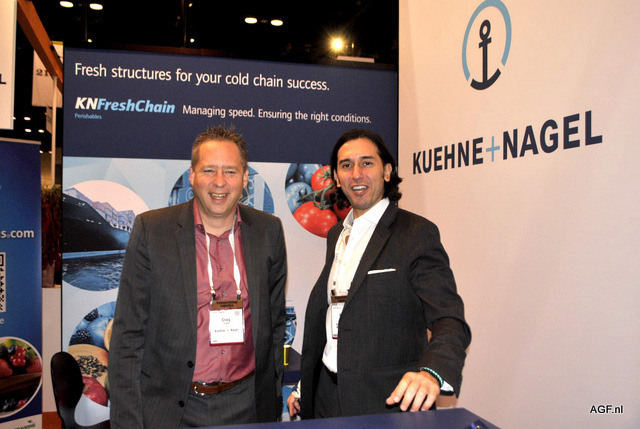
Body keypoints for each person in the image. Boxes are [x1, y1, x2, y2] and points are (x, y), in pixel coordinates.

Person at [109, 126, 287, 428]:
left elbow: (275, 324)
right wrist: (128, 421)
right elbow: (128, 336)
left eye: (230, 171)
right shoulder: (153, 231)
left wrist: (272, 399)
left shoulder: (268, 230)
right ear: (192, 175)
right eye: (209, 170)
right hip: (172, 409)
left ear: (245, 178)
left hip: (248, 405)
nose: (219, 182)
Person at [287, 129, 471, 419]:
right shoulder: (337, 234)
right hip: (327, 399)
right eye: (346, 165)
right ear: (336, 177)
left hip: (386, 404)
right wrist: (306, 384)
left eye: (367, 163)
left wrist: (432, 372)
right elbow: (336, 315)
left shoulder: (416, 233)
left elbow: (449, 318)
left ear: (386, 171)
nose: (356, 174)